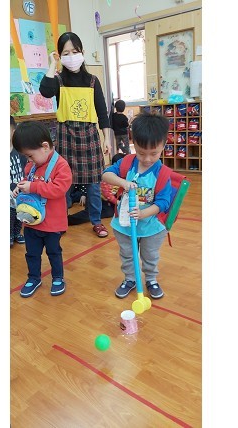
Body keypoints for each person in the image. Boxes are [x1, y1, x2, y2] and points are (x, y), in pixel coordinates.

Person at [39, 31, 113, 238]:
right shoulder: (58, 80)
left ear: (82, 52)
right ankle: (60, 221)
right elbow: (45, 91)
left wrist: (107, 138)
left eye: (75, 51)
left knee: (94, 184)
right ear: (60, 55)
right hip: (66, 136)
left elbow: (102, 112)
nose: (71, 56)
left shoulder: (92, 81)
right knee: (63, 184)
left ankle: (96, 221)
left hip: (89, 136)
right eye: (66, 53)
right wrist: (52, 65)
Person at [102, 113, 172, 299]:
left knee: (150, 255)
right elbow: (106, 175)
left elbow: (163, 203)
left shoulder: (163, 173)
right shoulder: (126, 163)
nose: (147, 159)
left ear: (164, 145)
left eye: (154, 153)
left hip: (151, 226)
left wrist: (143, 214)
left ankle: (151, 279)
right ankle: (130, 279)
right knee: (127, 254)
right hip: (124, 224)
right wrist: (123, 182)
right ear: (134, 143)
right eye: (141, 153)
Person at [11, 121, 72, 298]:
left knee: (54, 252)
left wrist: (33, 187)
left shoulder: (61, 165)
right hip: (31, 222)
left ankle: (58, 278)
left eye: (30, 156)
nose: (28, 160)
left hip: (52, 223)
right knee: (32, 253)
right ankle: (34, 278)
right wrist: (20, 187)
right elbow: (28, 181)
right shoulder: (32, 165)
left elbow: (58, 189)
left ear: (45, 146)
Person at [68, 153, 124, 225]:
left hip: (109, 200)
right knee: (92, 213)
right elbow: (107, 195)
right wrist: (118, 202)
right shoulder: (109, 176)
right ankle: (69, 220)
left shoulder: (124, 175)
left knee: (109, 211)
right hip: (99, 199)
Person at [10, 116, 27, 248]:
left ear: (13, 131)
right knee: (9, 215)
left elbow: (25, 168)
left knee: (19, 212)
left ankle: (17, 233)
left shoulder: (19, 151)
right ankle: (9, 234)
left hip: (19, 189)